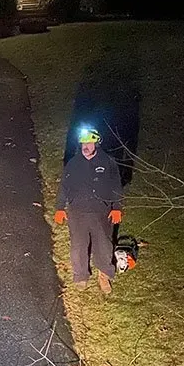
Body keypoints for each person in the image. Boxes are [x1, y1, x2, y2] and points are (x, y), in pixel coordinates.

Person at [54, 126, 123, 294]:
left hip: (102, 211)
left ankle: (104, 275)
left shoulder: (108, 162)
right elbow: (65, 186)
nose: (87, 146)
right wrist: (60, 207)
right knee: (78, 246)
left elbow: (116, 186)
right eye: (84, 142)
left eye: (90, 142)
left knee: (104, 245)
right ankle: (81, 276)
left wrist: (116, 208)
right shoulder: (73, 163)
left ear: (96, 144)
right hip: (78, 211)